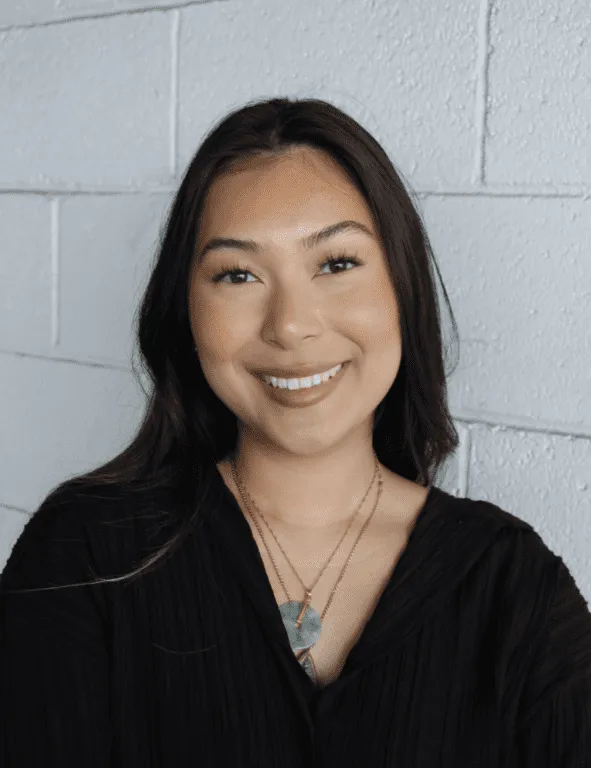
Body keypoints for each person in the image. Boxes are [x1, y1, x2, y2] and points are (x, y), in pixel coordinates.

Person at [1, 97, 590, 767]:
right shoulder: (86, 551)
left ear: (402, 285)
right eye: (237, 274)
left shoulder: (511, 583)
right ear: (185, 313)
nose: (290, 324)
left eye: (336, 264)